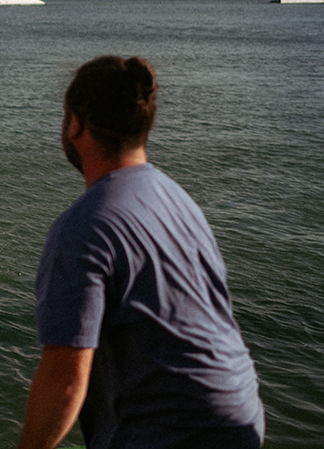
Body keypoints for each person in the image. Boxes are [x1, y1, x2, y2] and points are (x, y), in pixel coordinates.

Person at [18, 55, 264, 449]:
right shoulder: (179, 201)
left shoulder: (84, 227)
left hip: (171, 432)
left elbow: (65, 382)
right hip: (241, 416)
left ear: (75, 123)